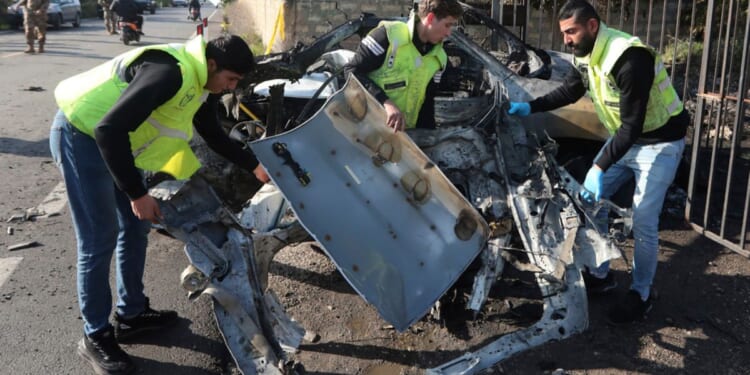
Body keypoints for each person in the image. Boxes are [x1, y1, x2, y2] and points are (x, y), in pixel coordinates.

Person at [50, 34, 269, 375]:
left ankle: (132, 315)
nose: (229, 88)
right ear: (212, 64)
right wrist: (137, 193)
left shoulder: (202, 84)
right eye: (231, 80)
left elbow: (212, 134)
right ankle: (95, 335)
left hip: (120, 145)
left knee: (136, 229)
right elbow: (109, 128)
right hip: (84, 136)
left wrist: (254, 165)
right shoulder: (169, 73)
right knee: (98, 239)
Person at [507, 0, 688, 324]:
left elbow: (632, 126)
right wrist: (531, 107)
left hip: (660, 143)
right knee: (592, 205)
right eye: (564, 33)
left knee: (644, 217)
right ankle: (602, 276)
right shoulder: (587, 53)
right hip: (628, 139)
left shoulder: (630, 58)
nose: (566, 40)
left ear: (592, 26)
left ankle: (641, 294)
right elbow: (572, 91)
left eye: (571, 31)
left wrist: (599, 166)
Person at [344, 0, 463, 132]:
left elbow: (427, 104)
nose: (448, 33)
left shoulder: (439, 59)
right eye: (447, 25)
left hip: (402, 139)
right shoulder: (387, 36)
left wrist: (428, 139)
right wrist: (386, 103)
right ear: (430, 18)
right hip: (366, 131)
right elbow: (352, 72)